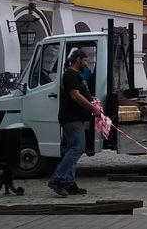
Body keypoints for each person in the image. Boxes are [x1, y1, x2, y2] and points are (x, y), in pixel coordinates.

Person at [49, 49, 97, 197]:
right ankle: (57, 179)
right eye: (84, 61)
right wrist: (93, 108)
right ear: (77, 60)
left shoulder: (75, 75)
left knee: (73, 150)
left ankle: (68, 183)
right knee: (77, 148)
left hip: (76, 117)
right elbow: (75, 96)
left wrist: (91, 99)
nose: (85, 64)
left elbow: (81, 94)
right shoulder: (71, 74)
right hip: (72, 118)